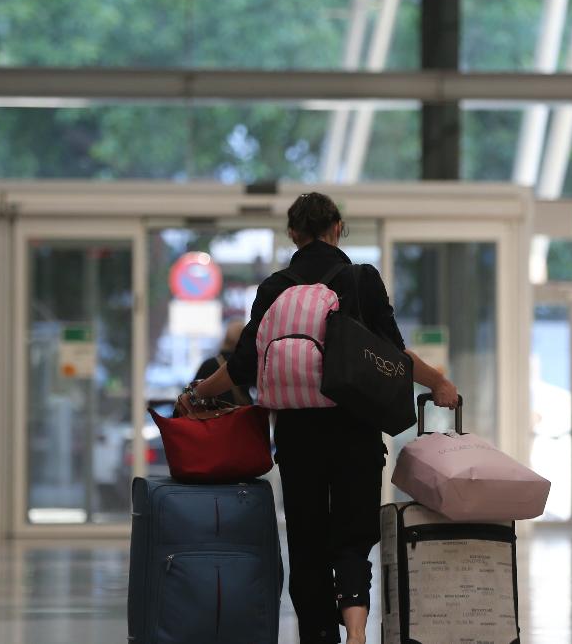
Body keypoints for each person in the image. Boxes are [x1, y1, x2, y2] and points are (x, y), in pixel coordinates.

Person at [176, 192, 459, 644]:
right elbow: (394, 354)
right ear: (338, 226)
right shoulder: (361, 279)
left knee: (307, 542)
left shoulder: (274, 288)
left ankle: (319, 635)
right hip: (355, 431)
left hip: (297, 435)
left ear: (293, 233)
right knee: (352, 537)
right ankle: (357, 632)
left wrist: (196, 392)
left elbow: (243, 365)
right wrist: (438, 383)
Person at [191, 320, 251, 406]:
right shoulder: (248, 365)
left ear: (225, 338)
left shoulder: (208, 364)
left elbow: (193, 393)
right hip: (242, 416)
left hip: (212, 417)